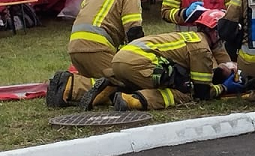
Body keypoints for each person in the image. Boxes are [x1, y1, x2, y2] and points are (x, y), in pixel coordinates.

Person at [100, 8, 241, 111]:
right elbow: (201, 93)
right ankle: (133, 101)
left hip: (120, 59)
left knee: (171, 78)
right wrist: (224, 87)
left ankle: (112, 90)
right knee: (186, 91)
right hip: (139, 63)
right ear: (215, 32)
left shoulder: (189, 39)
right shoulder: (201, 49)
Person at [48, 0, 149, 109]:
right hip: (97, 49)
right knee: (128, 83)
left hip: (75, 50)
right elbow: (134, 33)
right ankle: (71, 86)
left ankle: (71, 83)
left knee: (99, 81)